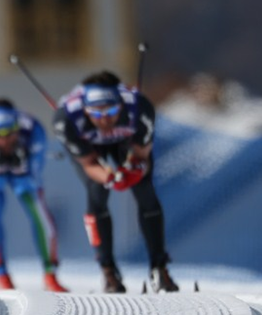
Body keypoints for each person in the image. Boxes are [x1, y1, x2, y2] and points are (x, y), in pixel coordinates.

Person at [53, 70, 178, 293]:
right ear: (85, 108)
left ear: (120, 104)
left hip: (127, 143)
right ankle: (108, 271)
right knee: (97, 193)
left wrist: (134, 170)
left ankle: (160, 267)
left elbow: (142, 157)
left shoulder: (140, 110)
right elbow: (89, 164)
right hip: (91, 148)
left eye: (110, 111)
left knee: (145, 192)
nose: (104, 119)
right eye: (95, 113)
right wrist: (109, 177)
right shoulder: (67, 119)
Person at [0, 99, 67, 292]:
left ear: (18, 127)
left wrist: (22, 172)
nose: (4, 141)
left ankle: (51, 275)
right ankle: (1, 275)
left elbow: (34, 176)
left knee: (35, 203)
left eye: (10, 134)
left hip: (22, 171)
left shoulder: (33, 129)